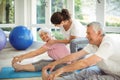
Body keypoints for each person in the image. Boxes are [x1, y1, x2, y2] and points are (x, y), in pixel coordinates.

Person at [42, 22, 120, 80]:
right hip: (103, 69)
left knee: (92, 79)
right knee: (83, 73)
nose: (86, 36)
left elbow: (85, 63)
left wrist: (61, 70)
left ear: (99, 33)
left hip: (117, 75)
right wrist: (55, 63)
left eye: (89, 33)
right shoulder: (94, 43)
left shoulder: (108, 43)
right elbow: (75, 55)